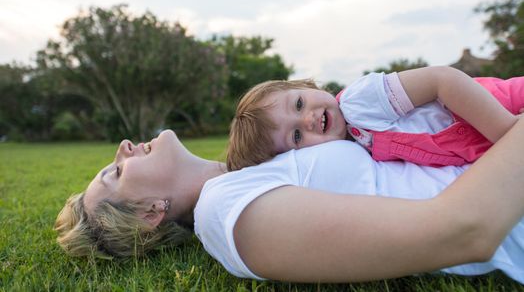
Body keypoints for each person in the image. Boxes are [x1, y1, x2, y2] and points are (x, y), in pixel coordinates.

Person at [55, 120, 524, 283]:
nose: (123, 148)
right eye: (116, 172)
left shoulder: (256, 164)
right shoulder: (229, 216)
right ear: (152, 212)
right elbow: (468, 229)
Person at [226, 66, 524, 171]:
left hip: (502, 103)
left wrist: (506, 131)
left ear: (306, 86)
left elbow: (442, 80)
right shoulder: (351, 149)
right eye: (296, 136)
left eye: (300, 103)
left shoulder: (358, 103)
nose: (307, 120)